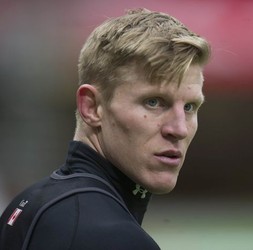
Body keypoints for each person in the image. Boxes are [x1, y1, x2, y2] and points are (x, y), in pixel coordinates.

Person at [0, 8, 210, 250]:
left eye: (190, 107)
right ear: (92, 107)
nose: (179, 129)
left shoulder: (28, 204)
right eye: (153, 102)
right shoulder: (111, 237)